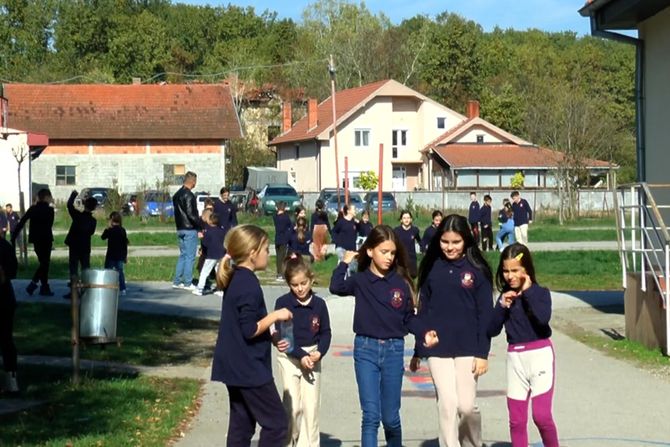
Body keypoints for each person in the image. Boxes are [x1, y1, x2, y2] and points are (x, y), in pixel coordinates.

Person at [329, 225, 439, 447]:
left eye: (392, 252)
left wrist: (424, 332)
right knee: (370, 416)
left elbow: (409, 318)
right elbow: (336, 286)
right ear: (370, 251)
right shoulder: (360, 281)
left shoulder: (400, 283)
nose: (389, 257)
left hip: (393, 350)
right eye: (383, 252)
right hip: (365, 349)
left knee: (390, 418)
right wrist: (344, 262)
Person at [411, 214, 494, 447]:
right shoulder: (431, 267)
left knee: (466, 406)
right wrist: (419, 348)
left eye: (456, 242)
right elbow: (422, 310)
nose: (450, 247)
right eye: (445, 242)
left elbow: (485, 314)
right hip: (437, 348)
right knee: (447, 403)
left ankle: (471, 443)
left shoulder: (477, 270)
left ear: (466, 239)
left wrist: (482, 353)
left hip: (469, 347)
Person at [211, 224, 292, 445]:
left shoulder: (237, 277)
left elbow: (246, 324)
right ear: (252, 253)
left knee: (242, 424)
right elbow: (249, 329)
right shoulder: (247, 283)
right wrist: (276, 316)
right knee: (276, 424)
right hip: (247, 367)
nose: (269, 254)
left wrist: (272, 337)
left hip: (233, 363)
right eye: (266, 249)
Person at [488, 243, 559, 447]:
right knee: (517, 420)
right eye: (505, 271)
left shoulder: (540, 293)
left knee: (541, 416)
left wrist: (527, 293)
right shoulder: (505, 297)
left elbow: (543, 318)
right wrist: (502, 305)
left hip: (540, 356)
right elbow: (491, 330)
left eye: (515, 270)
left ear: (526, 270)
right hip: (515, 359)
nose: (510, 276)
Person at [275, 254, 332, 447]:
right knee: (293, 407)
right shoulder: (283, 303)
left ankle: (309, 444)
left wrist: (319, 352)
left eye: (304, 283)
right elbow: (285, 340)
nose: (300, 288)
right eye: (294, 285)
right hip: (290, 357)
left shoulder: (319, 304)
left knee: (311, 407)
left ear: (311, 278)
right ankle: (288, 441)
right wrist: (302, 356)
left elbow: (326, 333)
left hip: (312, 355)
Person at [12, 188, 55, 296]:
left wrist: (14, 235)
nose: (51, 199)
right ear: (46, 197)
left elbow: (22, 222)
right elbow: (49, 225)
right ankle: (33, 284)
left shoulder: (32, 209)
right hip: (46, 240)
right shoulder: (50, 210)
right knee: (45, 264)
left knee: (43, 264)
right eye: (49, 197)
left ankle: (44, 287)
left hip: (36, 240)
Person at [64, 190, 98, 299]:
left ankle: (74, 291)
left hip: (74, 245)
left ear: (84, 204)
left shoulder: (77, 216)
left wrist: (74, 194)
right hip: (85, 246)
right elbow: (91, 232)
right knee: (85, 269)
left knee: (73, 269)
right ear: (94, 208)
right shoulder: (93, 221)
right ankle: (85, 290)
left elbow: (69, 205)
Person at [172, 171, 201, 290]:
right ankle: (188, 282)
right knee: (190, 257)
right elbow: (190, 213)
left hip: (180, 228)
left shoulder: (176, 195)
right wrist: (200, 224)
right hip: (189, 228)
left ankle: (177, 281)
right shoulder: (189, 195)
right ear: (192, 181)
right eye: (195, 181)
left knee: (183, 255)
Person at [0, 237, 19, 395]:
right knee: (6, 339)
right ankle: (11, 380)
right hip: (6, 298)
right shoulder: (6, 246)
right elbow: (13, 272)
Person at [194, 213, 226, 296]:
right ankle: (221, 289)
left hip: (211, 255)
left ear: (210, 221)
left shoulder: (208, 232)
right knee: (219, 272)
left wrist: (202, 238)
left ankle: (199, 289)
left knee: (205, 272)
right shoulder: (222, 231)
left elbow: (205, 243)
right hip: (221, 254)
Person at [101, 211, 129, 296]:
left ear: (111, 220)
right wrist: (125, 255)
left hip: (111, 255)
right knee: (120, 272)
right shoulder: (122, 230)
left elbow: (103, 237)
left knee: (108, 271)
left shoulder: (110, 230)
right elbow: (125, 244)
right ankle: (123, 288)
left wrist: (107, 228)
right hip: (120, 255)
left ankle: (107, 286)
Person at [393, 210, 421, 278]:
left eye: (408, 218)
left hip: (411, 258)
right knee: (400, 278)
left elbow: (420, 241)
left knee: (412, 276)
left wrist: (424, 249)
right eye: (404, 218)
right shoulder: (396, 231)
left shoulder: (415, 230)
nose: (406, 220)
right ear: (401, 220)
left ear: (411, 219)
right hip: (400, 258)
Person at [274, 201, 293, 281]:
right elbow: (290, 225)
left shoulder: (275, 217)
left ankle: (279, 273)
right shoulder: (285, 217)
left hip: (277, 238)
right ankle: (282, 274)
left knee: (278, 257)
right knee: (283, 257)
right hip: (284, 239)